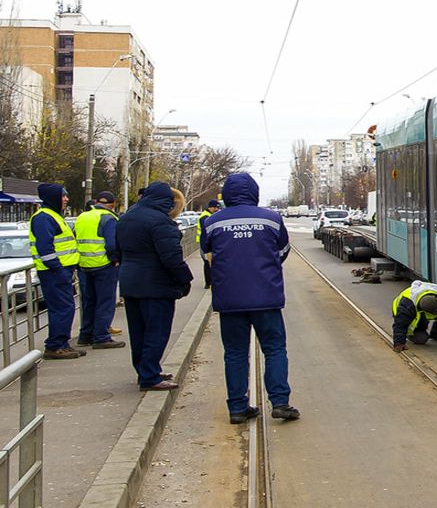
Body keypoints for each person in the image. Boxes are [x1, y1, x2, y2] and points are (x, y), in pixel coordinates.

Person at [202, 173, 299, 423]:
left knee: (234, 353)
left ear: (227, 194)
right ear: (254, 193)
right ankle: (280, 402)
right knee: (275, 349)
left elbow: (207, 255)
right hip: (266, 297)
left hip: (229, 299)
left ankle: (237, 408)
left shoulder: (212, 222)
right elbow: (283, 251)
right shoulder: (272, 219)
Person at [116, 182, 193, 391]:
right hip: (155, 284)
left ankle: (145, 370)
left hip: (130, 283)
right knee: (156, 331)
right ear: (167, 201)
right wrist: (185, 279)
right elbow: (171, 257)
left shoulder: (126, 218)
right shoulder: (161, 222)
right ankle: (150, 376)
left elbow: (115, 251)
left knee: (138, 331)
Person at [29, 183, 84, 359]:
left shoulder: (53, 215)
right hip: (53, 271)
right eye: (63, 195)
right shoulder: (44, 217)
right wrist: (59, 270)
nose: (66, 198)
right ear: (53, 198)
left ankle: (61, 343)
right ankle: (55, 346)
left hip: (60, 270)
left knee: (66, 307)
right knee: (62, 308)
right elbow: (45, 249)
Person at [74, 191, 124, 349]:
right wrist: (115, 259)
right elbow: (111, 243)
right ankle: (101, 336)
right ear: (112, 204)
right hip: (104, 266)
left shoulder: (82, 216)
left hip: (83, 265)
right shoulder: (109, 218)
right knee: (105, 301)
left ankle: (85, 335)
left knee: (88, 301)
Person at [391, 279, 437, 352]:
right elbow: (400, 325)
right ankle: (412, 334)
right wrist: (399, 343)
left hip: (422, 309)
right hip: (407, 315)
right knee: (421, 339)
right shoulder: (407, 307)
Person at [196, 199, 221, 288]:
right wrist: (206, 248)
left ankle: (210, 282)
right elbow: (205, 233)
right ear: (211, 207)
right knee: (207, 263)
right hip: (205, 245)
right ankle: (209, 283)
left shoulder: (208, 216)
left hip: (205, 244)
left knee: (209, 263)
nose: (217, 210)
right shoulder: (206, 217)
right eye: (216, 208)